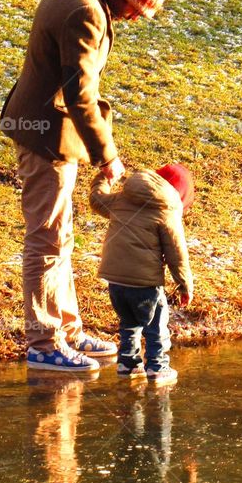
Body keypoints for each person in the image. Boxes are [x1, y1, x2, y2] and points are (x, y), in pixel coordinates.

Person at [0, 0, 170, 371]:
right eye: (136, 10)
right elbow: (80, 95)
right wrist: (106, 155)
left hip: (47, 130)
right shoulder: (87, 12)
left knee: (61, 236)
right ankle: (43, 342)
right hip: (47, 136)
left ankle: (69, 330)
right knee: (46, 239)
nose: (132, 19)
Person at [89, 163, 194, 384]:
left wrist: (104, 177)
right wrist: (184, 284)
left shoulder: (123, 199)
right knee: (155, 325)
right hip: (145, 283)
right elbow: (177, 253)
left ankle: (128, 364)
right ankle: (157, 366)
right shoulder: (167, 210)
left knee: (128, 321)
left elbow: (97, 199)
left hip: (115, 280)